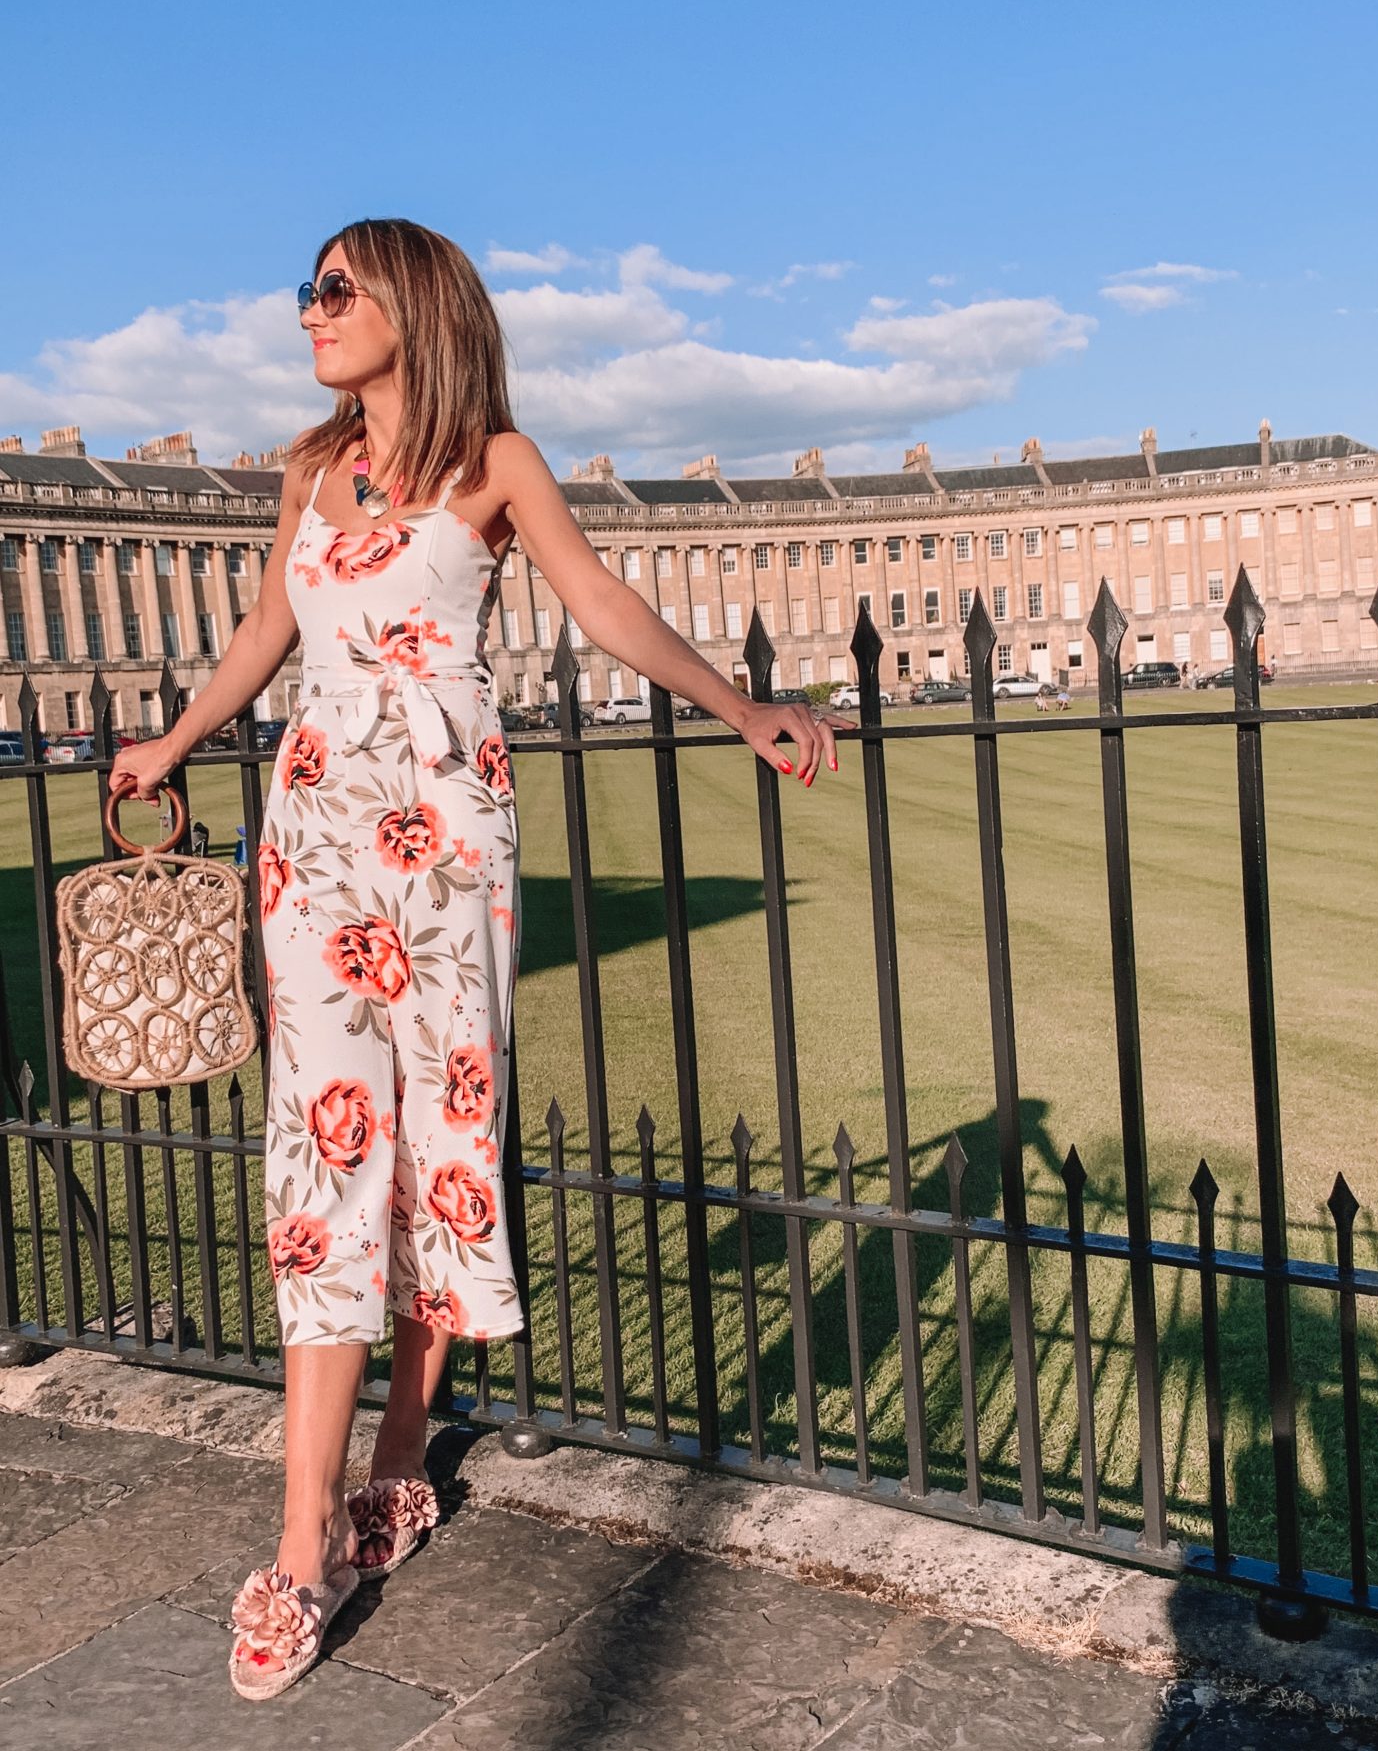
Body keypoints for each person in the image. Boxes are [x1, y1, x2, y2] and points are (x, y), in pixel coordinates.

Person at [107, 217, 843, 1701]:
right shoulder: (311, 474)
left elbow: (604, 608)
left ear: (415, 308)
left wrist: (741, 708)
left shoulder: (497, 465)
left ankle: (395, 1462)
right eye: (304, 290)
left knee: (441, 1133)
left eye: (335, 290)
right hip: (312, 839)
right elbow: (270, 631)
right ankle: (301, 1538)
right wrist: (177, 740)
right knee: (326, 1158)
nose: (307, 311)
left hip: (445, 845)